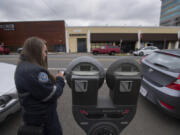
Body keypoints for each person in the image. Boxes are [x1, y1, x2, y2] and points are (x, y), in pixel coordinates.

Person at [15, 37, 65, 135]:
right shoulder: (35, 71)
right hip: (44, 121)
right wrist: (60, 79)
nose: (45, 55)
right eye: (45, 51)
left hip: (32, 118)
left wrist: (49, 80)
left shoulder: (22, 66)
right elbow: (52, 94)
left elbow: (37, 88)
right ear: (36, 51)